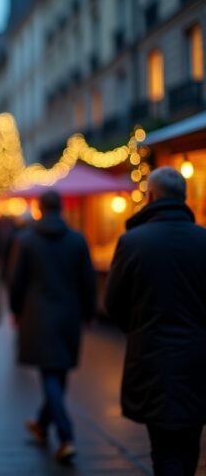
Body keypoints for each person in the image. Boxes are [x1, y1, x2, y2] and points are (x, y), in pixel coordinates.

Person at [105, 167, 206, 476]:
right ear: (184, 198)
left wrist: (140, 330)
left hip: (152, 358)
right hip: (199, 359)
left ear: (149, 196)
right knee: (191, 440)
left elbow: (113, 304)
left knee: (163, 447)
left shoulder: (133, 242)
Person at [8, 190, 96, 463]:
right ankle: (42, 424)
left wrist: (16, 310)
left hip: (38, 314)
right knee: (58, 371)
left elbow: (16, 281)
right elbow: (88, 280)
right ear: (61, 208)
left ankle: (66, 436)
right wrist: (88, 313)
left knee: (50, 373)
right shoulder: (77, 240)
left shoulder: (26, 240)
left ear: (39, 208)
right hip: (69, 313)